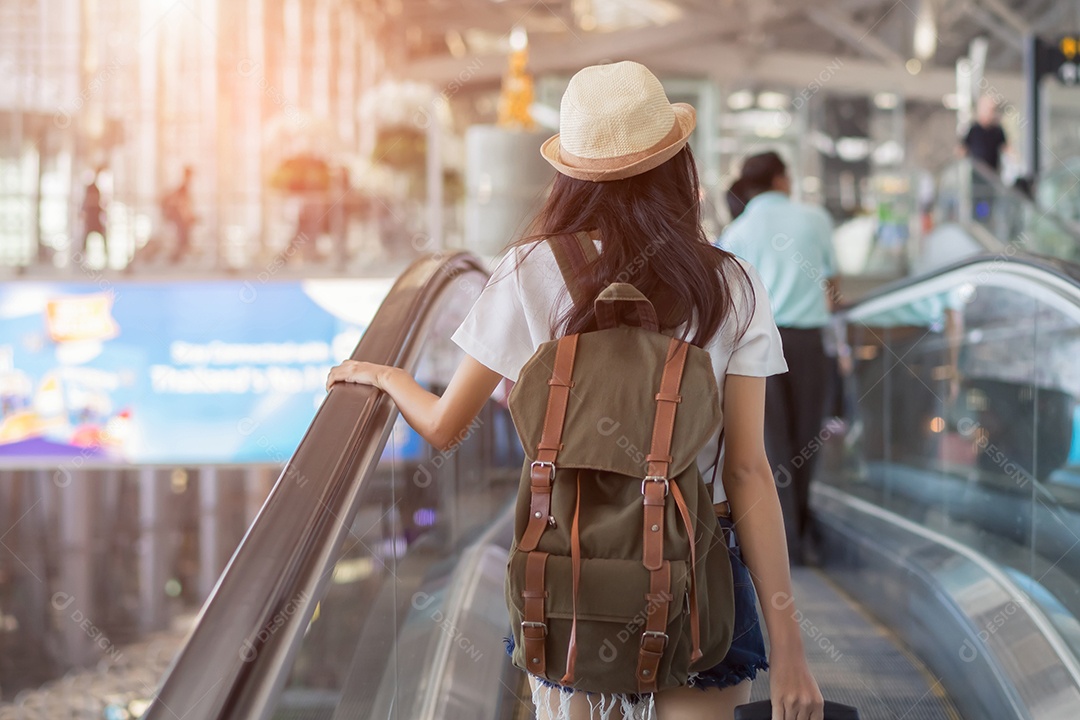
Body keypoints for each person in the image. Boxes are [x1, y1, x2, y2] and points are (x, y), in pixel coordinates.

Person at [328, 62, 823, 720]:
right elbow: (751, 472)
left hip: (566, 570)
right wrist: (791, 654)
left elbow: (446, 428)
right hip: (700, 576)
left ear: (570, 172)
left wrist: (388, 376)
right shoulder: (729, 284)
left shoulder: (531, 269)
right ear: (678, 164)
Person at [719, 151, 838, 567]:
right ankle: (801, 534)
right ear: (781, 179)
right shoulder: (815, 219)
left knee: (771, 446)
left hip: (758, 345)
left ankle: (780, 542)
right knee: (808, 441)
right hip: (807, 341)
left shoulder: (737, 231)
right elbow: (832, 281)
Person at [959, 96, 1009, 224]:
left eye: (992, 109)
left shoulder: (998, 131)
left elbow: (1006, 148)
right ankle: (977, 223)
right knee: (978, 205)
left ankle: (986, 223)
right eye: (988, 109)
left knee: (990, 205)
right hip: (976, 177)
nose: (991, 112)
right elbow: (962, 149)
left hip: (992, 177)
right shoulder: (973, 129)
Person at [161, 166, 196, 263]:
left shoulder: (183, 186)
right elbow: (181, 202)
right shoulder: (183, 186)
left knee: (183, 238)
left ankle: (176, 257)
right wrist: (186, 214)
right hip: (180, 216)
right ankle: (174, 258)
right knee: (183, 238)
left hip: (181, 216)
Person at [79, 168, 107, 260]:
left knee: (100, 236)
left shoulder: (95, 189)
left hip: (95, 219)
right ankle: (82, 255)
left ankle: (105, 255)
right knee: (87, 237)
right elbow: (86, 202)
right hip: (91, 219)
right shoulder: (90, 189)